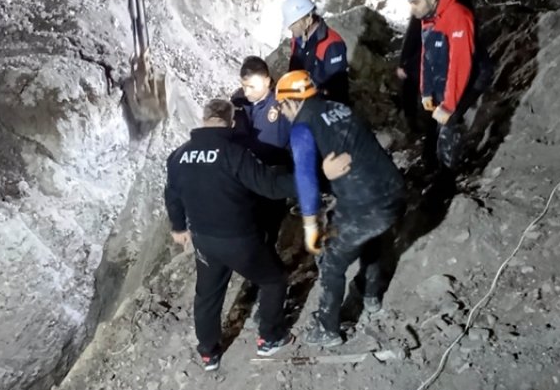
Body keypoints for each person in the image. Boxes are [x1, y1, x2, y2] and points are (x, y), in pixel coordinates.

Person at [165, 99, 297, 371]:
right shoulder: (233, 153)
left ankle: (207, 353)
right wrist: (307, 179)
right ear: (232, 121)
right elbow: (270, 187)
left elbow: (172, 195)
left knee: (207, 295)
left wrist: (178, 227)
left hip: (203, 240)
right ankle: (270, 337)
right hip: (240, 240)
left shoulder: (179, 155)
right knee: (273, 280)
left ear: (203, 120)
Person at [274, 71, 405, 347]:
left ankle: (327, 329)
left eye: (281, 106)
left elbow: (306, 181)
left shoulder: (302, 128)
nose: (282, 113)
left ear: (291, 102)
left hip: (365, 203)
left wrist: (310, 227)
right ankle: (370, 297)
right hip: (394, 191)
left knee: (331, 259)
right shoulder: (338, 108)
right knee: (369, 237)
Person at [403, 0, 478, 170]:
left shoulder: (458, 16)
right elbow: (426, 58)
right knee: (435, 129)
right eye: (410, 3)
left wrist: (449, 104)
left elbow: (460, 64)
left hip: (461, 84)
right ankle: (433, 166)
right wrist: (426, 90)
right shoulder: (429, 18)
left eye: (415, 2)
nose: (412, 9)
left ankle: (450, 178)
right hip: (442, 83)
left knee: (448, 132)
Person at [231, 57, 293, 248]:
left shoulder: (278, 106)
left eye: (252, 87)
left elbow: (273, 147)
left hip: (271, 177)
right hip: (248, 177)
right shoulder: (240, 102)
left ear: (267, 81)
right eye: (244, 86)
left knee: (267, 230)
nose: (247, 92)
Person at [282, 0, 350, 105]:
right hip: (301, 104)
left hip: (323, 109)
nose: (290, 27)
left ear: (308, 20)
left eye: (293, 23)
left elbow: (337, 90)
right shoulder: (298, 40)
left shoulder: (331, 44)